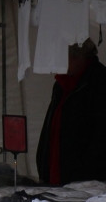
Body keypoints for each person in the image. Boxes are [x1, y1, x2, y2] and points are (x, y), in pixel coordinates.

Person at [37, 39, 106, 184]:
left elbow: (99, 135)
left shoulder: (99, 82)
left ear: (78, 57)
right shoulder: (62, 84)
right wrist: (43, 165)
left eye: (62, 58)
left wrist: (87, 172)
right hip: (59, 175)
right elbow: (51, 128)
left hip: (86, 180)